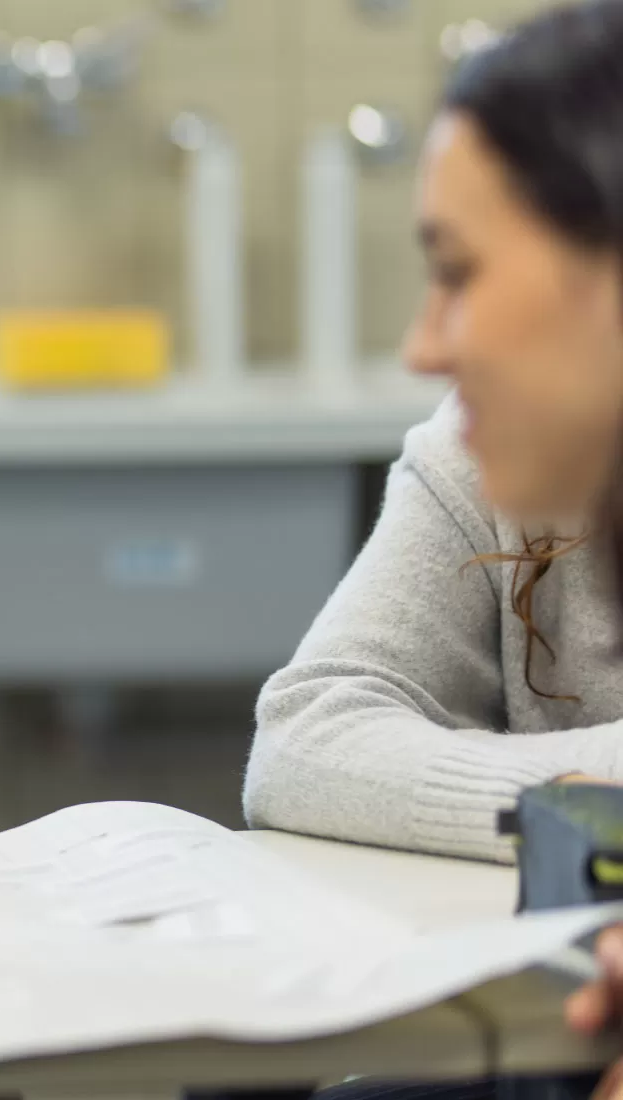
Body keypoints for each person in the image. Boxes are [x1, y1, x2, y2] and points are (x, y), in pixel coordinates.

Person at [241, 3, 623, 1098]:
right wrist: (587, 799)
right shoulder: (480, 456)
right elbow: (308, 737)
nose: (421, 344)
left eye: (460, 272)